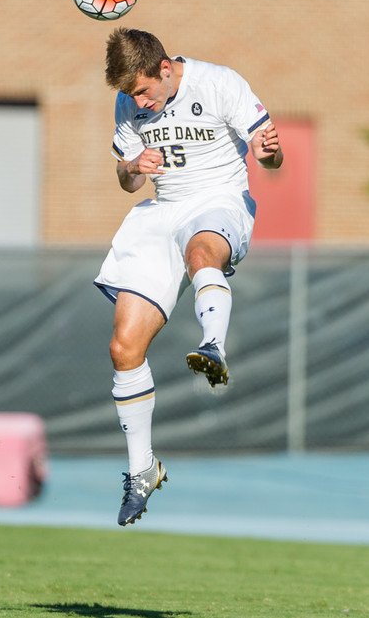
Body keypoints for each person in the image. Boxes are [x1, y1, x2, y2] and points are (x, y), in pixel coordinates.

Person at [93, 29, 283, 526]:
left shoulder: (219, 83)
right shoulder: (127, 103)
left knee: (203, 252)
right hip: (161, 211)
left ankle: (214, 345)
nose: (138, 101)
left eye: (142, 90)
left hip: (218, 201)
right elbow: (126, 178)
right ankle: (142, 471)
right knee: (123, 348)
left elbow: (271, 152)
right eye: (131, 95)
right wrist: (133, 166)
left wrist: (270, 152)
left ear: (163, 67)